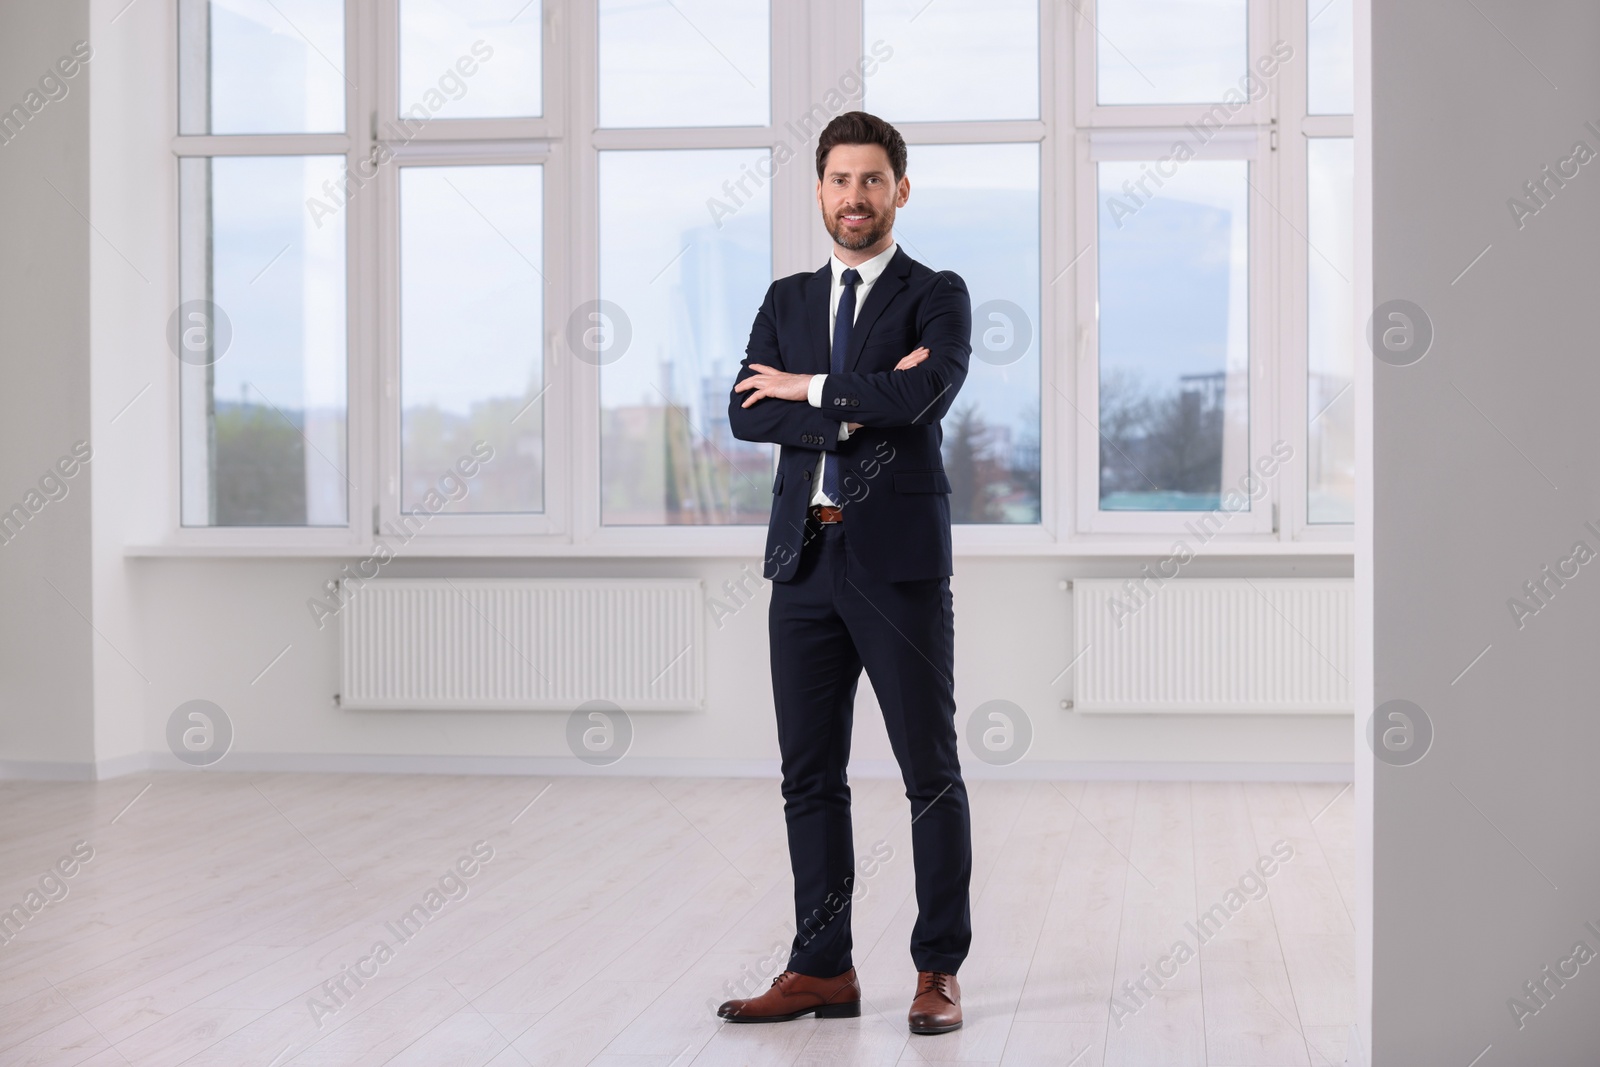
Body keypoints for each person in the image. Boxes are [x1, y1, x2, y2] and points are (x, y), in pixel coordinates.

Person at [720, 110, 973, 1036]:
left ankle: (938, 968)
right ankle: (821, 967)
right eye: (839, 180)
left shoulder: (936, 293)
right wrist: (851, 409)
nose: (854, 197)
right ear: (818, 189)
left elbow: (925, 390)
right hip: (805, 562)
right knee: (809, 777)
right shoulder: (787, 299)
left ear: (899, 190)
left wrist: (809, 387)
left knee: (929, 773)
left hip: (899, 569)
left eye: (872, 180)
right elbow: (746, 413)